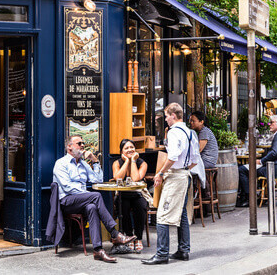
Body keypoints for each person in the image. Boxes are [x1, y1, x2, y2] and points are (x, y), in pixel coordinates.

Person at [53, 135, 136, 263]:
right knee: (95, 196)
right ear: (69, 147)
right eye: (78, 143)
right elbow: (67, 187)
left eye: (83, 143)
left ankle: (98, 250)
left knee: (92, 207)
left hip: (82, 200)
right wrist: (87, 195)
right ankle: (114, 233)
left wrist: (95, 161)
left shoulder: (83, 164)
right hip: (67, 201)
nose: (82, 145)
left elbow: (97, 179)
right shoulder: (61, 163)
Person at [142, 102, 201, 265]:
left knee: (162, 214)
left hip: (175, 177)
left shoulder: (174, 132)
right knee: (181, 213)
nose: (166, 119)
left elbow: (173, 156)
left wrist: (160, 173)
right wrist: (184, 169)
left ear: (173, 115)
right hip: (185, 175)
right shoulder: (190, 133)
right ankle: (183, 250)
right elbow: (196, 159)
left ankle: (161, 254)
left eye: (167, 116)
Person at [238, 115, 277, 207]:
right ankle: (257, 195)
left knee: (242, 170)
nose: (269, 125)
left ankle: (249, 199)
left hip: (276, 168)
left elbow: (274, 153)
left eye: (272, 123)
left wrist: (261, 161)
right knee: (246, 168)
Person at [112, 139, 148, 253]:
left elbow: (136, 178)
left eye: (132, 147)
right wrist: (126, 161)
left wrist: (133, 161)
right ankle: (128, 236)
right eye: (126, 148)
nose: (130, 150)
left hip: (138, 194)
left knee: (141, 206)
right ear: (121, 151)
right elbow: (118, 178)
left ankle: (138, 238)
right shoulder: (117, 163)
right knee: (123, 206)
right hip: (122, 194)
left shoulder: (142, 163)